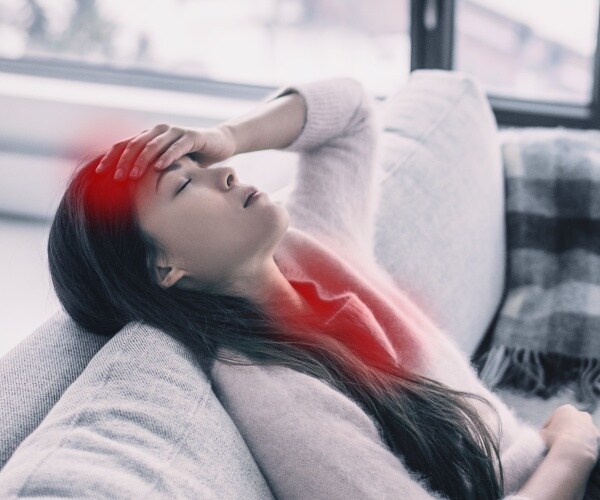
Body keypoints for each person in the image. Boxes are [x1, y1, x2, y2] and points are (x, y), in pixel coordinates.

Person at [47, 76, 599, 500]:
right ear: (164, 268)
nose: (227, 171)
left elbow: (353, 112)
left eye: (205, 160)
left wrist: (227, 135)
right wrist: (573, 447)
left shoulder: (314, 245)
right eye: (187, 182)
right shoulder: (276, 395)